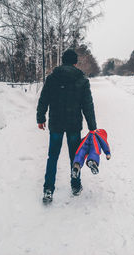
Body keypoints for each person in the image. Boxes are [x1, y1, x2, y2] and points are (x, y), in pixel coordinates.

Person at [37, 49, 97, 203]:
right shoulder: (82, 80)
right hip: (73, 124)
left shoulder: (52, 78)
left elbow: (44, 99)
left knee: (53, 156)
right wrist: (92, 127)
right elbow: (87, 106)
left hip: (56, 123)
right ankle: (75, 186)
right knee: (75, 156)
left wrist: (40, 117)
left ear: (62, 61)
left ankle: (48, 189)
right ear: (75, 62)